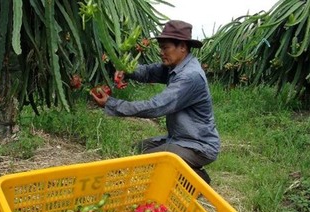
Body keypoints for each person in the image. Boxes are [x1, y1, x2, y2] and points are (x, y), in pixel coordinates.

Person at [91, 20, 220, 184]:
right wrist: (126, 71)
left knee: (144, 162)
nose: (161, 52)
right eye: (161, 47)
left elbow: (156, 107)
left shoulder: (190, 76)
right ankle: (188, 171)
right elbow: (147, 72)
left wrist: (112, 103)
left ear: (182, 47)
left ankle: (198, 181)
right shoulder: (176, 66)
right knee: (137, 149)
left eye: (165, 47)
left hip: (198, 145)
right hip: (180, 138)